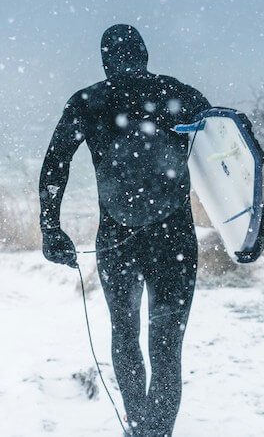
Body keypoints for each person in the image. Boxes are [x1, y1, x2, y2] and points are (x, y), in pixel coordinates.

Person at [38, 24, 210, 437]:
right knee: (167, 345)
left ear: (104, 59)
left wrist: (50, 229)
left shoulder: (88, 101)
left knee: (125, 333)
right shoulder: (180, 94)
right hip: (175, 239)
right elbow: (228, 147)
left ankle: (137, 428)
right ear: (146, 54)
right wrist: (250, 224)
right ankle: (157, 432)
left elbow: (55, 165)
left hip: (118, 238)